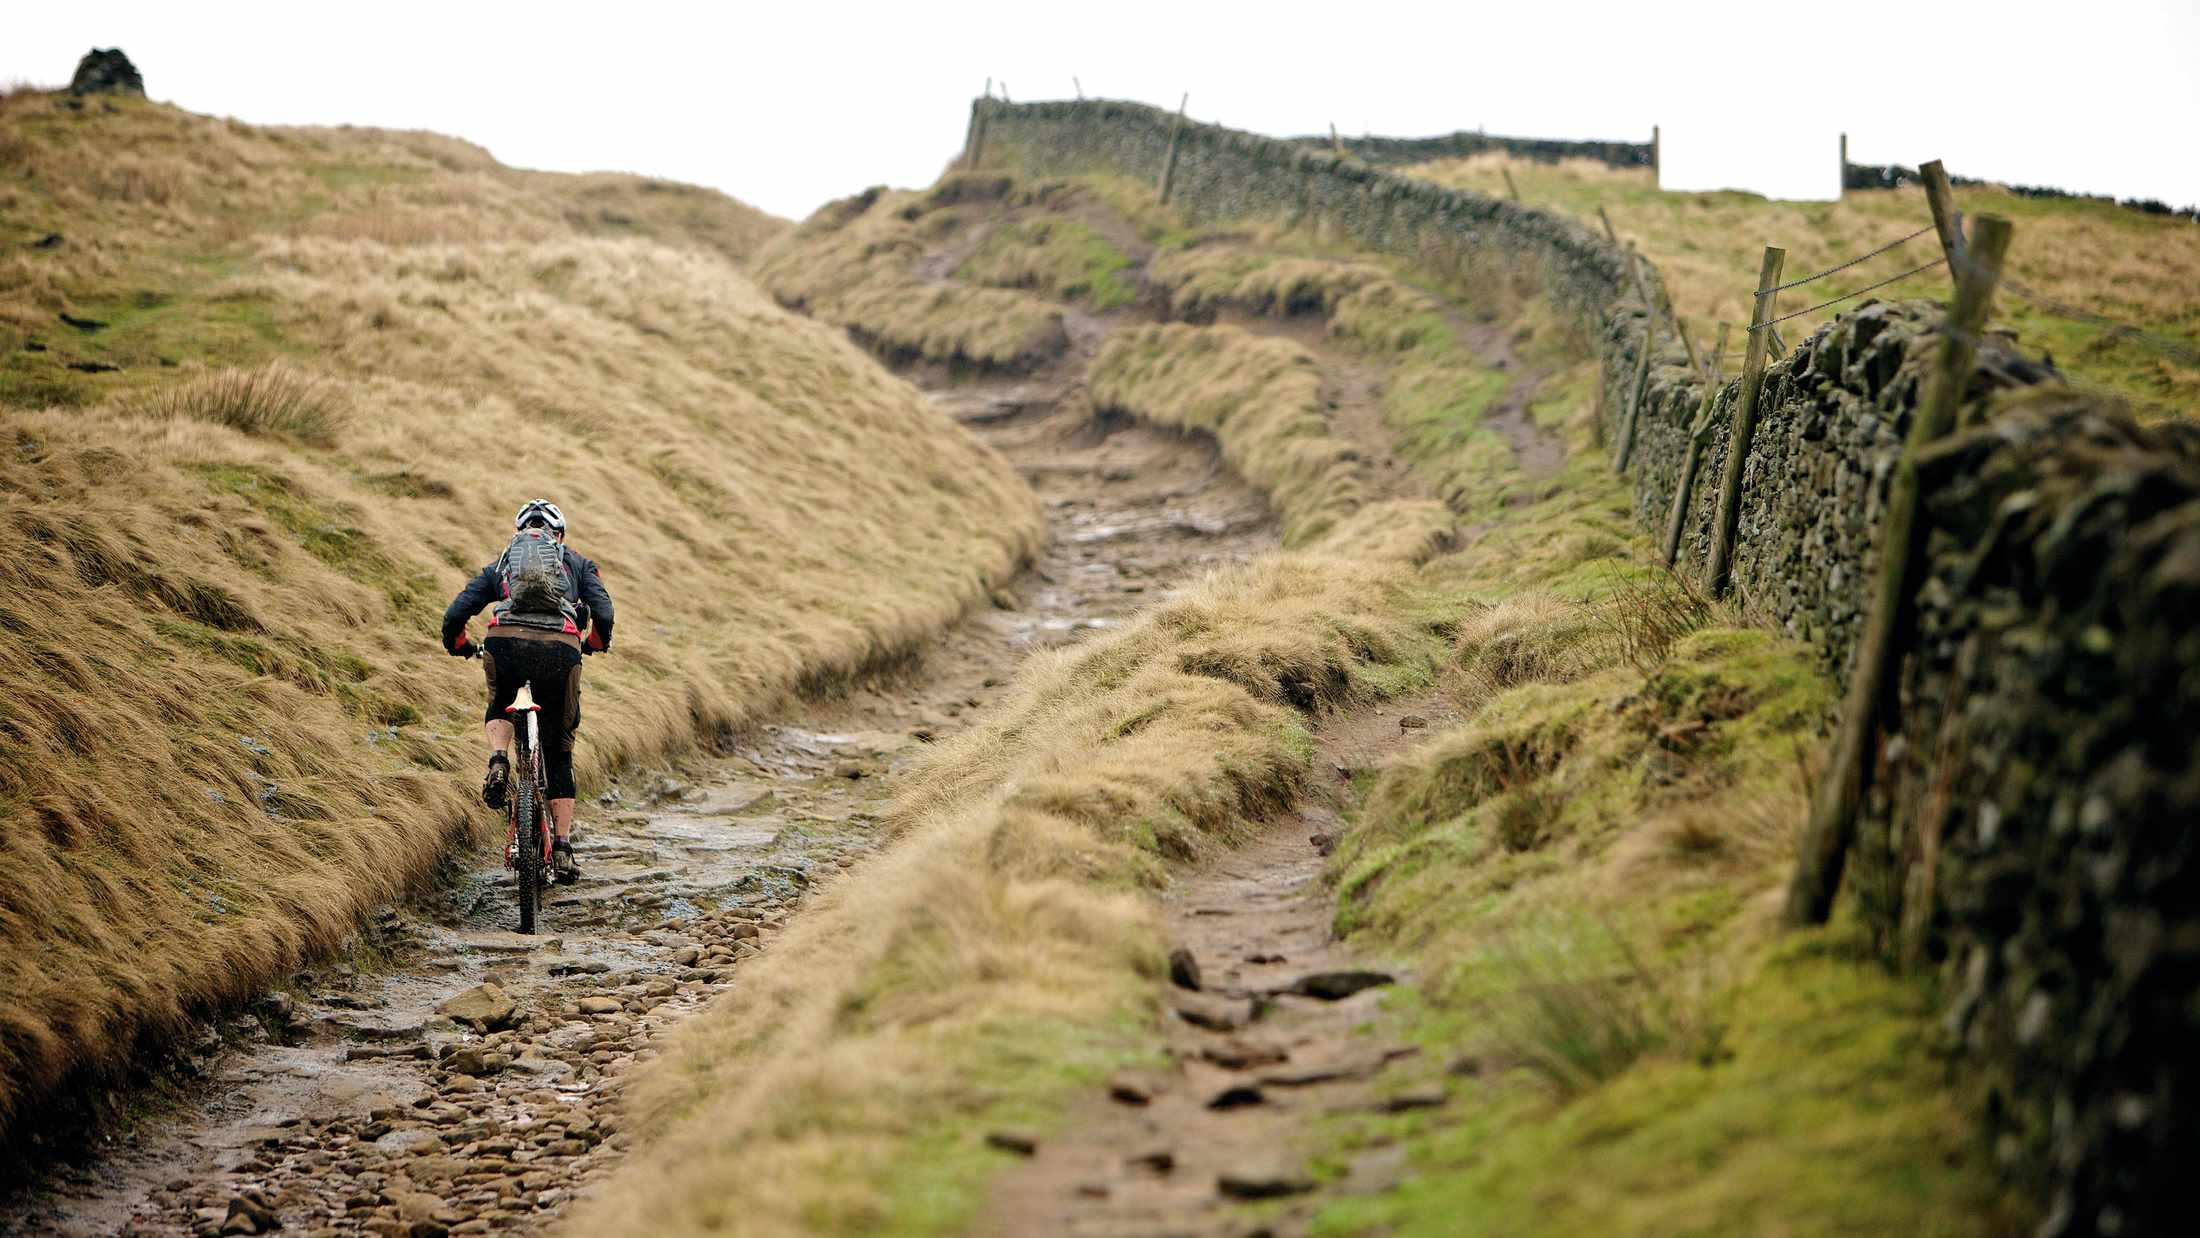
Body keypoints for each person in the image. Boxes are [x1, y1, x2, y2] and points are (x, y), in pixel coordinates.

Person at [441, 499, 614, 884]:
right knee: (559, 747)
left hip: (504, 643)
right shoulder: (579, 564)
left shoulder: (502, 564)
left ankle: (499, 759)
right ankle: (564, 847)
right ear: (560, 536)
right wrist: (595, 643)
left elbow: (456, 613)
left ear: (520, 532)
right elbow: (604, 611)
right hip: (560, 649)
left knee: (500, 705)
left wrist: (460, 645)